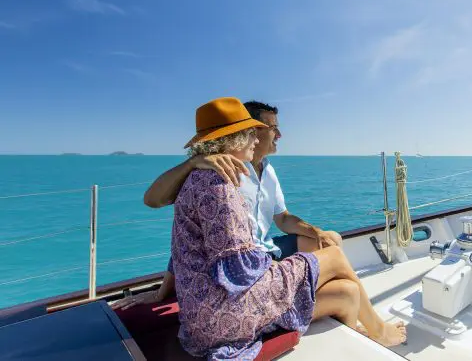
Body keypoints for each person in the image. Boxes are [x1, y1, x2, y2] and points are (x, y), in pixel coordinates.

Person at [154, 97, 407, 359]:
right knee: (333, 257)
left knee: (347, 291)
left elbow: (187, 246)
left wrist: (309, 242)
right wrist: (285, 269)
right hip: (226, 311)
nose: (255, 138)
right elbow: (240, 272)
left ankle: (354, 327)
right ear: (235, 138)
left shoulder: (203, 179)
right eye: (250, 132)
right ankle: (379, 331)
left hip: (203, 316)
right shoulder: (220, 185)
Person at [114, 100, 343, 310]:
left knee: (330, 239)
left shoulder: (269, 170)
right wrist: (164, 291)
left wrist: (317, 231)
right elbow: (178, 225)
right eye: (273, 128)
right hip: (244, 265)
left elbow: (282, 218)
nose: (280, 135)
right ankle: (323, 302)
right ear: (253, 130)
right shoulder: (220, 172)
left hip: (266, 250)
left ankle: (316, 298)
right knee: (337, 267)